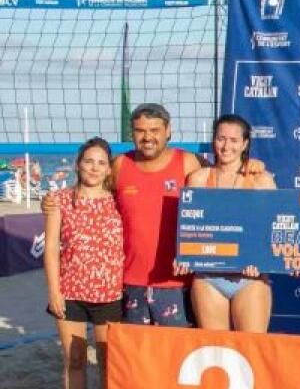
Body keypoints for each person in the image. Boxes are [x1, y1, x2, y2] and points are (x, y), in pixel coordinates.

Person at [44, 103, 202, 326]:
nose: (147, 137)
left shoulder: (187, 163)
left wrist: (247, 164)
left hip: (176, 283)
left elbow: (220, 190)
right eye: (140, 131)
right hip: (129, 283)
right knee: (133, 358)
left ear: (168, 131)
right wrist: (51, 201)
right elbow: (90, 190)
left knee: (173, 357)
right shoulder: (120, 165)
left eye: (154, 130)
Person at [42, 138, 123, 389]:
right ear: (78, 164)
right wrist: (54, 291)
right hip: (71, 292)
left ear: (108, 168)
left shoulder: (117, 199)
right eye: (89, 161)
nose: (94, 167)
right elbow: (50, 248)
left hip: (109, 293)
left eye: (101, 162)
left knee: (107, 363)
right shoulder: (60, 200)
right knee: (74, 360)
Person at [178, 114, 276, 332]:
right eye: (221, 139)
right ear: (214, 141)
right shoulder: (198, 178)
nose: (226, 146)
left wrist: (262, 260)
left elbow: (273, 228)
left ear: (245, 144)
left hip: (250, 278)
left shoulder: (262, 179)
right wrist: (184, 255)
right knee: (216, 350)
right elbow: (190, 226)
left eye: (233, 140)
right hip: (208, 279)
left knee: (251, 351)